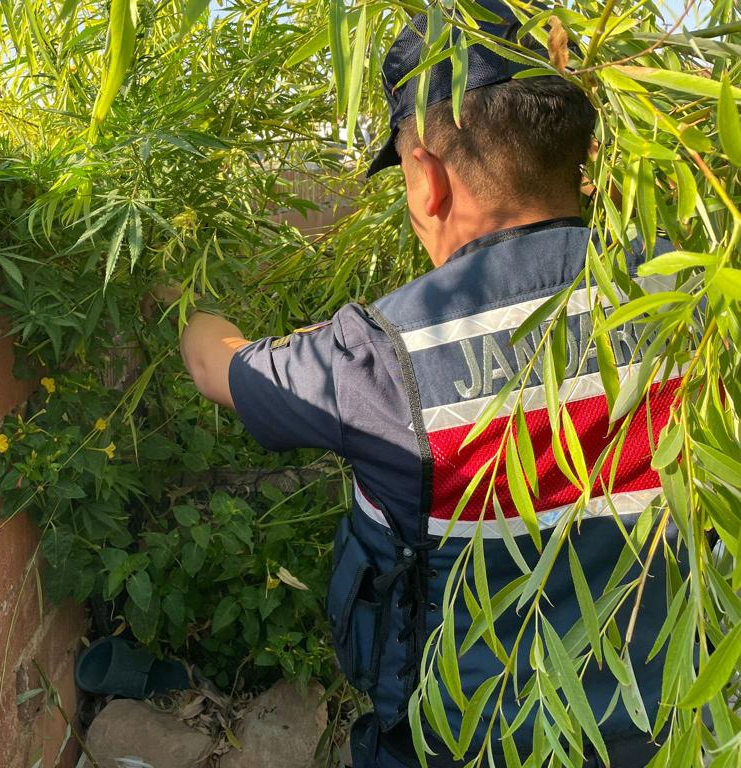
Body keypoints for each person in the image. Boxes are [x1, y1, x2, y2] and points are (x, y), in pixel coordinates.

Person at [174, 2, 677, 765]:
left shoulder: (379, 356)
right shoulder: (690, 304)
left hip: (456, 744)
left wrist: (199, 316)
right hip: (662, 731)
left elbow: (216, 363)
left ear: (427, 178)